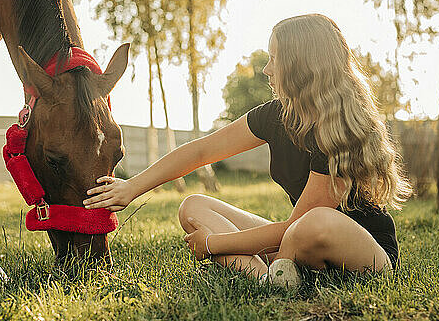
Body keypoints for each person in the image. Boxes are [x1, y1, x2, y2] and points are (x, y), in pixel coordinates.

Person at [83, 14, 411, 289]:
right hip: (296, 244)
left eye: (275, 59)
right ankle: (271, 280)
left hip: (363, 253)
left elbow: (296, 227)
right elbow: (201, 151)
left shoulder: (341, 130)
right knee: (193, 206)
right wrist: (132, 187)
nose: (267, 69)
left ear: (301, 66)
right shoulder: (276, 115)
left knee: (315, 222)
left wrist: (212, 244)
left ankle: (278, 273)